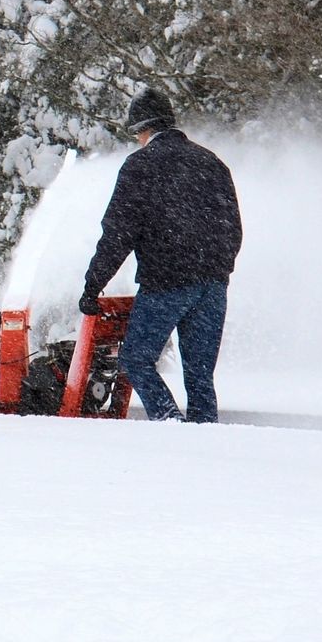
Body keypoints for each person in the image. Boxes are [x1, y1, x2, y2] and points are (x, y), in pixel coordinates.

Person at [79, 88, 243, 422]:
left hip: (166, 282)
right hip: (212, 286)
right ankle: (204, 439)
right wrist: (217, 268)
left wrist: (92, 286)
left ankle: (170, 424)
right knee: (199, 376)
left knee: (136, 359)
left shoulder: (140, 165)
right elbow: (233, 228)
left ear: (141, 129)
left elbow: (118, 235)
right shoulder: (211, 162)